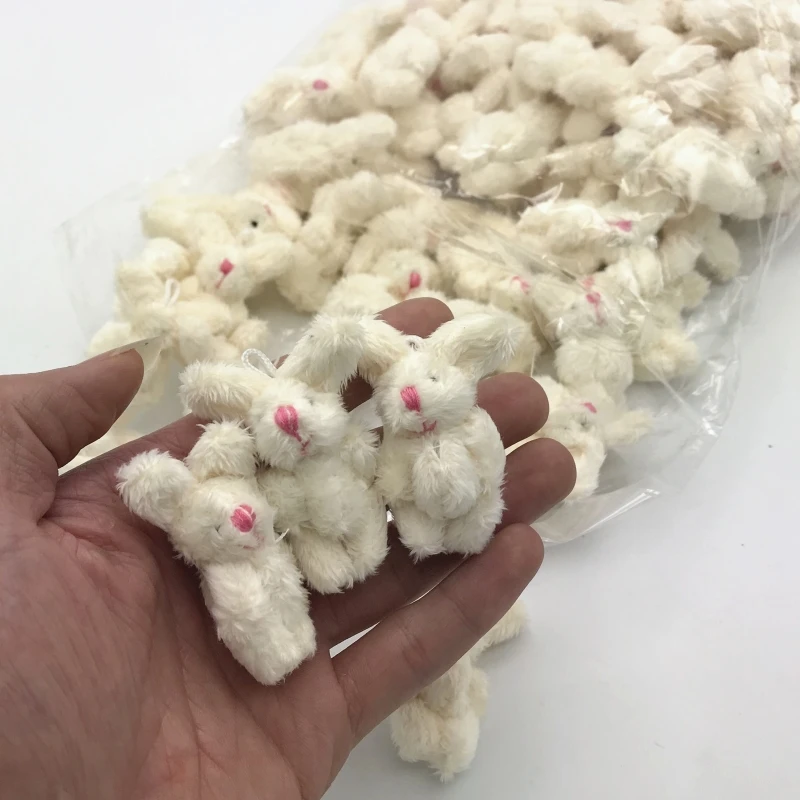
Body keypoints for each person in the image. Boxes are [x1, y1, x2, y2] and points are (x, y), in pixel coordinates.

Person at [0, 299, 575, 799]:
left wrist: (384, 478)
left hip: (375, 518)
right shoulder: (261, 496)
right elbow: (291, 518)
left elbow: (424, 468)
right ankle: (296, 635)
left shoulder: (445, 429)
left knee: (385, 538)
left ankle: (412, 543)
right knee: (299, 585)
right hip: (290, 555)